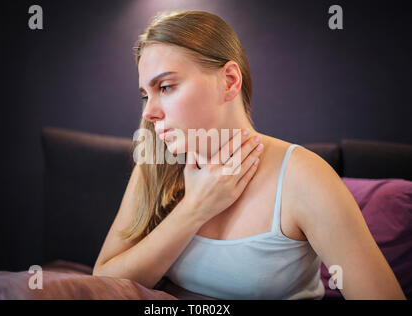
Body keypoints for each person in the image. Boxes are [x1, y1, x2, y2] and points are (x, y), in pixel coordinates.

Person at [93, 10, 405, 300]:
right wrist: (195, 209)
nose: (149, 112)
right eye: (145, 94)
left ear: (229, 81)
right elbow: (104, 279)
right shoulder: (157, 163)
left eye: (165, 87)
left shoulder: (303, 177)